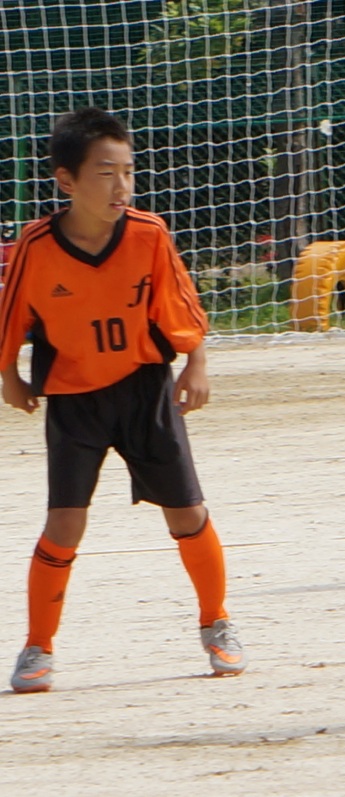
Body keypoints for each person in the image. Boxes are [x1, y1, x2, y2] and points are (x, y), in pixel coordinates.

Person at [0, 108, 246, 693]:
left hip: (144, 391)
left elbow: (178, 304)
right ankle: (38, 646)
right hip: (74, 399)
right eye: (106, 172)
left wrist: (196, 361)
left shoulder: (148, 234)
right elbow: (11, 316)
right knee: (64, 523)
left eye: (129, 172)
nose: (121, 185)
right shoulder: (36, 245)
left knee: (187, 512)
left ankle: (217, 622)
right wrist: (8, 373)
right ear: (67, 180)